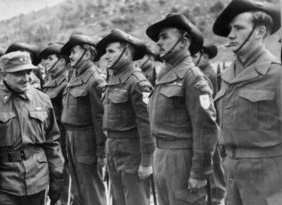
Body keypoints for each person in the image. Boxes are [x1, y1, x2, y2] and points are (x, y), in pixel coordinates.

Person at [0, 51, 64, 205]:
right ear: (4, 74)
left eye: (29, 72)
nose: (26, 78)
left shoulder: (42, 100)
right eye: (19, 73)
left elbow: (52, 142)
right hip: (1, 184)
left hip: (38, 180)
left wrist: (57, 176)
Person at [212, 0, 282, 204]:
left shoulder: (277, 74)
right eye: (230, 29)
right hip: (232, 176)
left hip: (268, 180)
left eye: (238, 28)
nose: (230, 35)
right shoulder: (226, 76)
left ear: (260, 31)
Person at [146, 13, 219, 205]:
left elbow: (206, 128)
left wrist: (199, 172)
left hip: (182, 160)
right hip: (161, 155)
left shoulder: (193, 77)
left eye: (164, 37)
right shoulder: (165, 76)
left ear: (183, 42)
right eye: (158, 38)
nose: (158, 43)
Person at [96, 28, 153, 205]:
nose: (106, 56)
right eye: (105, 52)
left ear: (126, 53)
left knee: (136, 200)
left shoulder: (137, 82)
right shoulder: (113, 80)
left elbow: (146, 126)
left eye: (111, 51)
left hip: (132, 151)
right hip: (113, 147)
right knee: (118, 200)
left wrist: (146, 162)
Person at [60, 34, 107, 205]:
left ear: (87, 54)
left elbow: (100, 118)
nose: (70, 56)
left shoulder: (95, 79)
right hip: (71, 137)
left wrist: (101, 152)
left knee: (91, 188)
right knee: (77, 189)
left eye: (73, 52)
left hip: (86, 139)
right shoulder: (75, 76)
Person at [39, 43, 70, 205]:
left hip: (61, 135)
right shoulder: (50, 80)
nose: (47, 62)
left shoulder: (66, 82)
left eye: (51, 59)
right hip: (49, 134)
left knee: (62, 173)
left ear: (63, 61)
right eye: (46, 59)